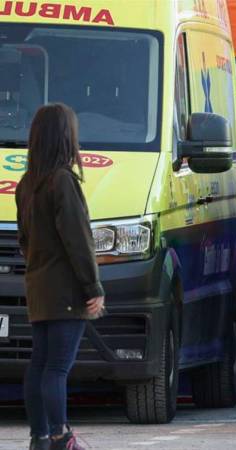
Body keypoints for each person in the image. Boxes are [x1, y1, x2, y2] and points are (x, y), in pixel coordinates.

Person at [16, 103, 105, 450]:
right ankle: (61, 435)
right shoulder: (63, 181)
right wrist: (92, 285)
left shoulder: (27, 183)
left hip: (38, 284)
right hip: (66, 288)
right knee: (57, 368)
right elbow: (78, 239)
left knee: (38, 365)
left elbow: (24, 238)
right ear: (66, 137)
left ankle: (39, 436)